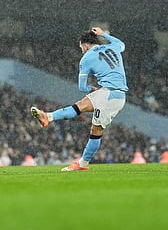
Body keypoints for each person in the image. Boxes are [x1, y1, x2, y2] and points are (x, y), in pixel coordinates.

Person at [30, 27, 128, 171]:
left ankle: (82, 164)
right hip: (111, 93)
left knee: (96, 131)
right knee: (80, 106)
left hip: (110, 95)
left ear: (86, 45)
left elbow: (82, 87)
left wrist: (90, 88)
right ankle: (47, 117)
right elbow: (122, 44)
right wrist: (103, 34)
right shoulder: (112, 46)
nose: (81, 50)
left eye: (81, 47)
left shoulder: (86, 58)